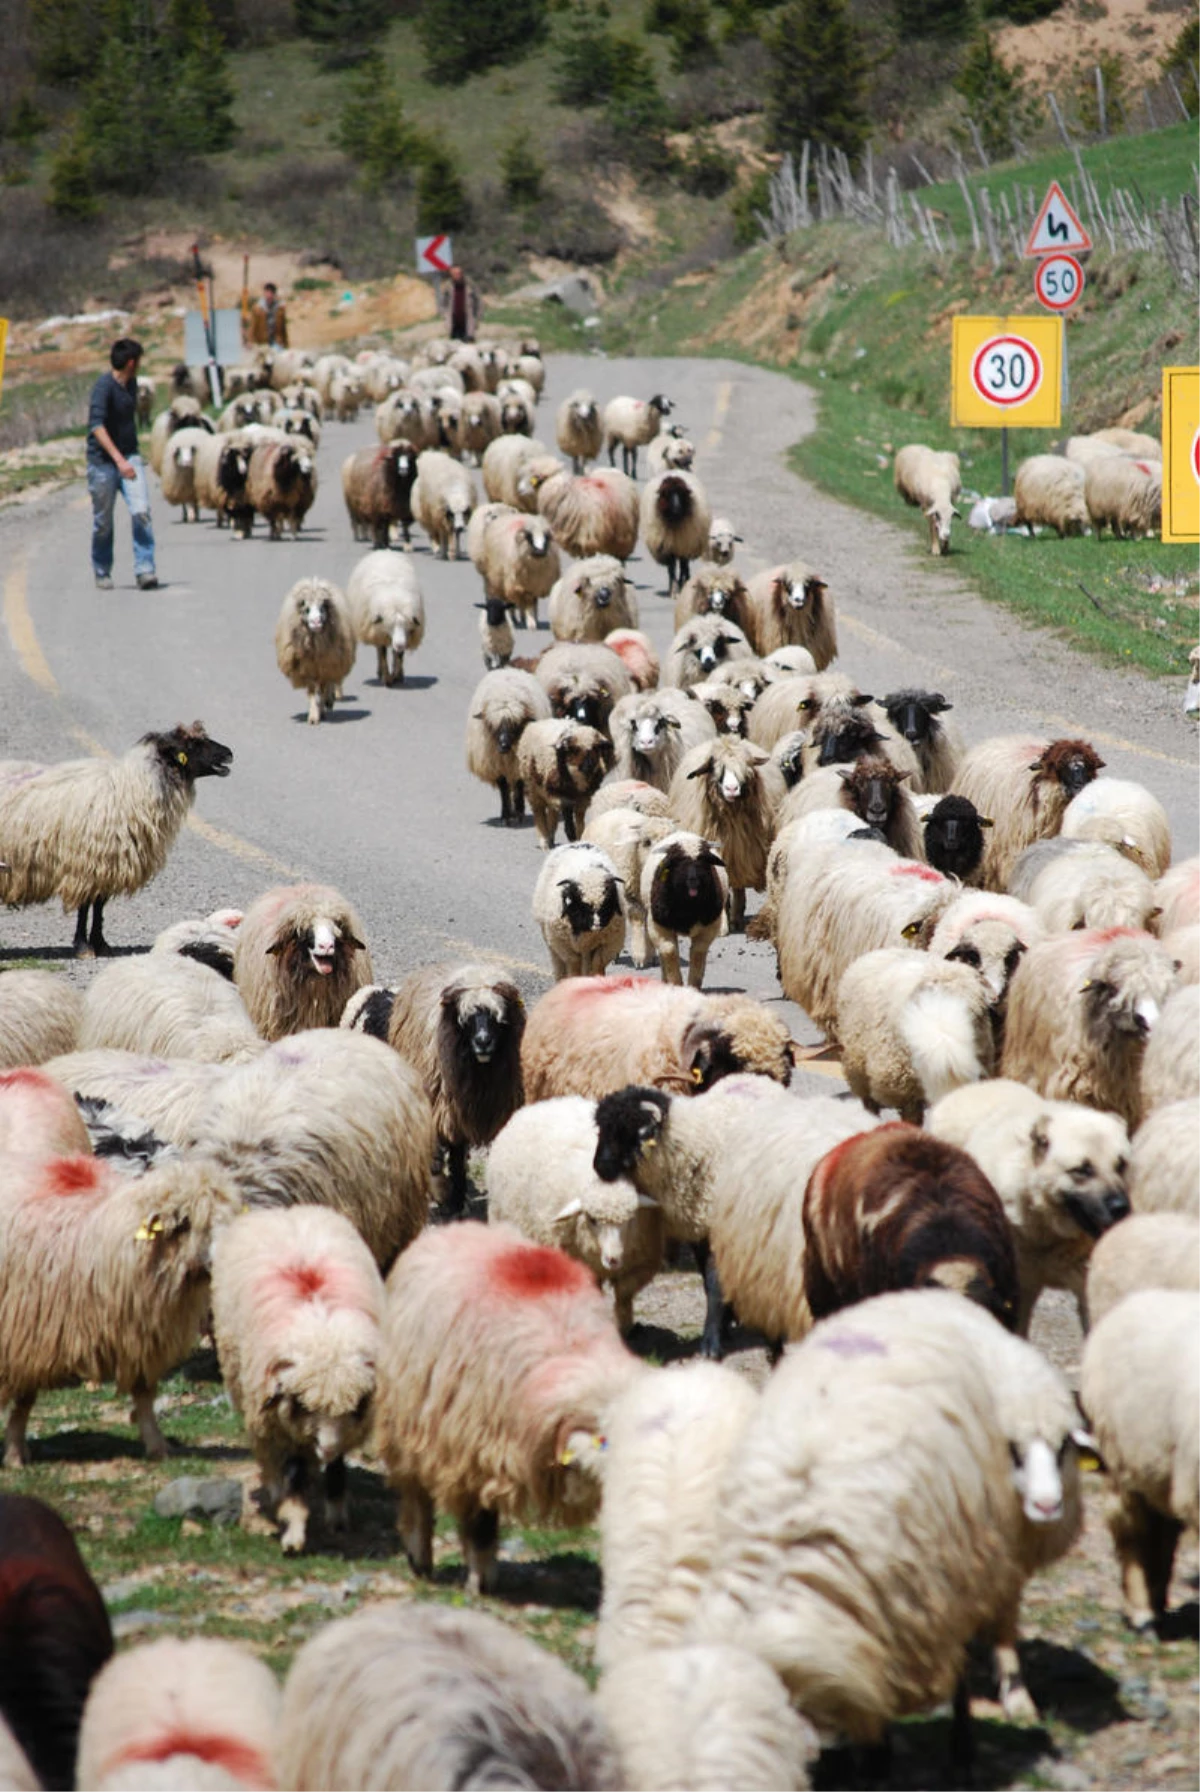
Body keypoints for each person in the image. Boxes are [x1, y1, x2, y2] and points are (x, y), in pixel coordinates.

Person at [86, 338, 158, 592]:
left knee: (141, 512)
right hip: (103, 464)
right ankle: (102, 569)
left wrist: (130, 458)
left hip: (131, 457)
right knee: (103, 521)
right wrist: (118, 460)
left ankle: (145, 569)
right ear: (131, 363)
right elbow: (96, 426)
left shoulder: (132, 384)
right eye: (138, 361)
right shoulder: (103, 387)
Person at [437, 265, 480, 344]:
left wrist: (477, 318)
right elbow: (443, 302)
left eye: (459, 273)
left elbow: (478, 302)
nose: (457, 276)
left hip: (468, 321)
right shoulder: (448, 286)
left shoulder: (470, 285)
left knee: (469, 346)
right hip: (454, 323)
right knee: (455, 345)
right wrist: (444, 316)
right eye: (454, 274)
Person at [248, 281, 289, 349]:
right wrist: (250, 341)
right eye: (267, 293)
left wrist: (286, 343)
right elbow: (252, 326)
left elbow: (283, 328)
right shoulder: (257, 309)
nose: (269, 296)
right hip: (262, 342)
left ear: (274, 294)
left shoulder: (279, 310)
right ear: (264, 293)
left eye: (271, 293)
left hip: (276, 342)